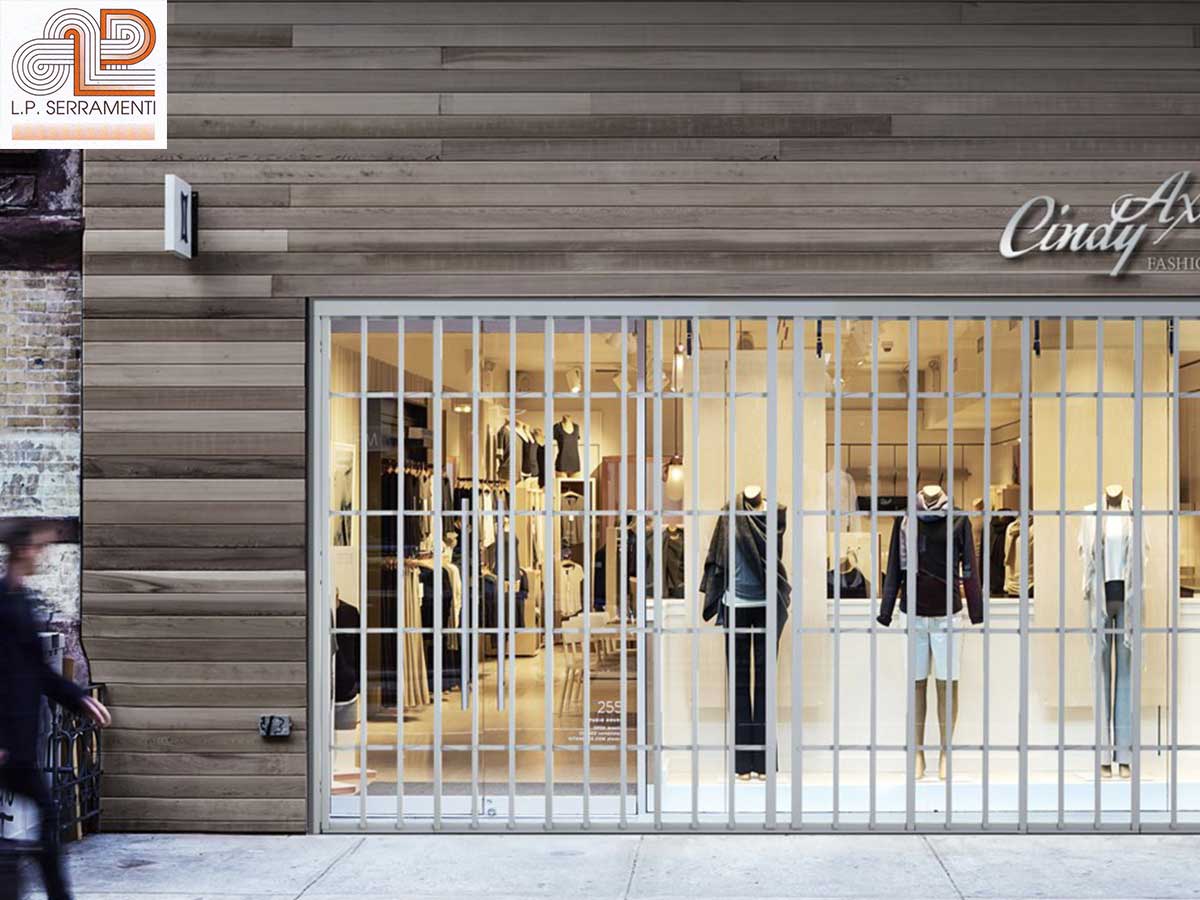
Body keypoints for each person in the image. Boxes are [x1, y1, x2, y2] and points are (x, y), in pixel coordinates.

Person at [0, 520, 111, 900]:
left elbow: (38, 670)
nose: (42, 556)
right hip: (6, 743)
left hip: (19, 744)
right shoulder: (3, 605)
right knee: (45, 820)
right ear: (22, 550)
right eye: (38, 548)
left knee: (48, 820)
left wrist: (79, 699)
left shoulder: (22, 601)